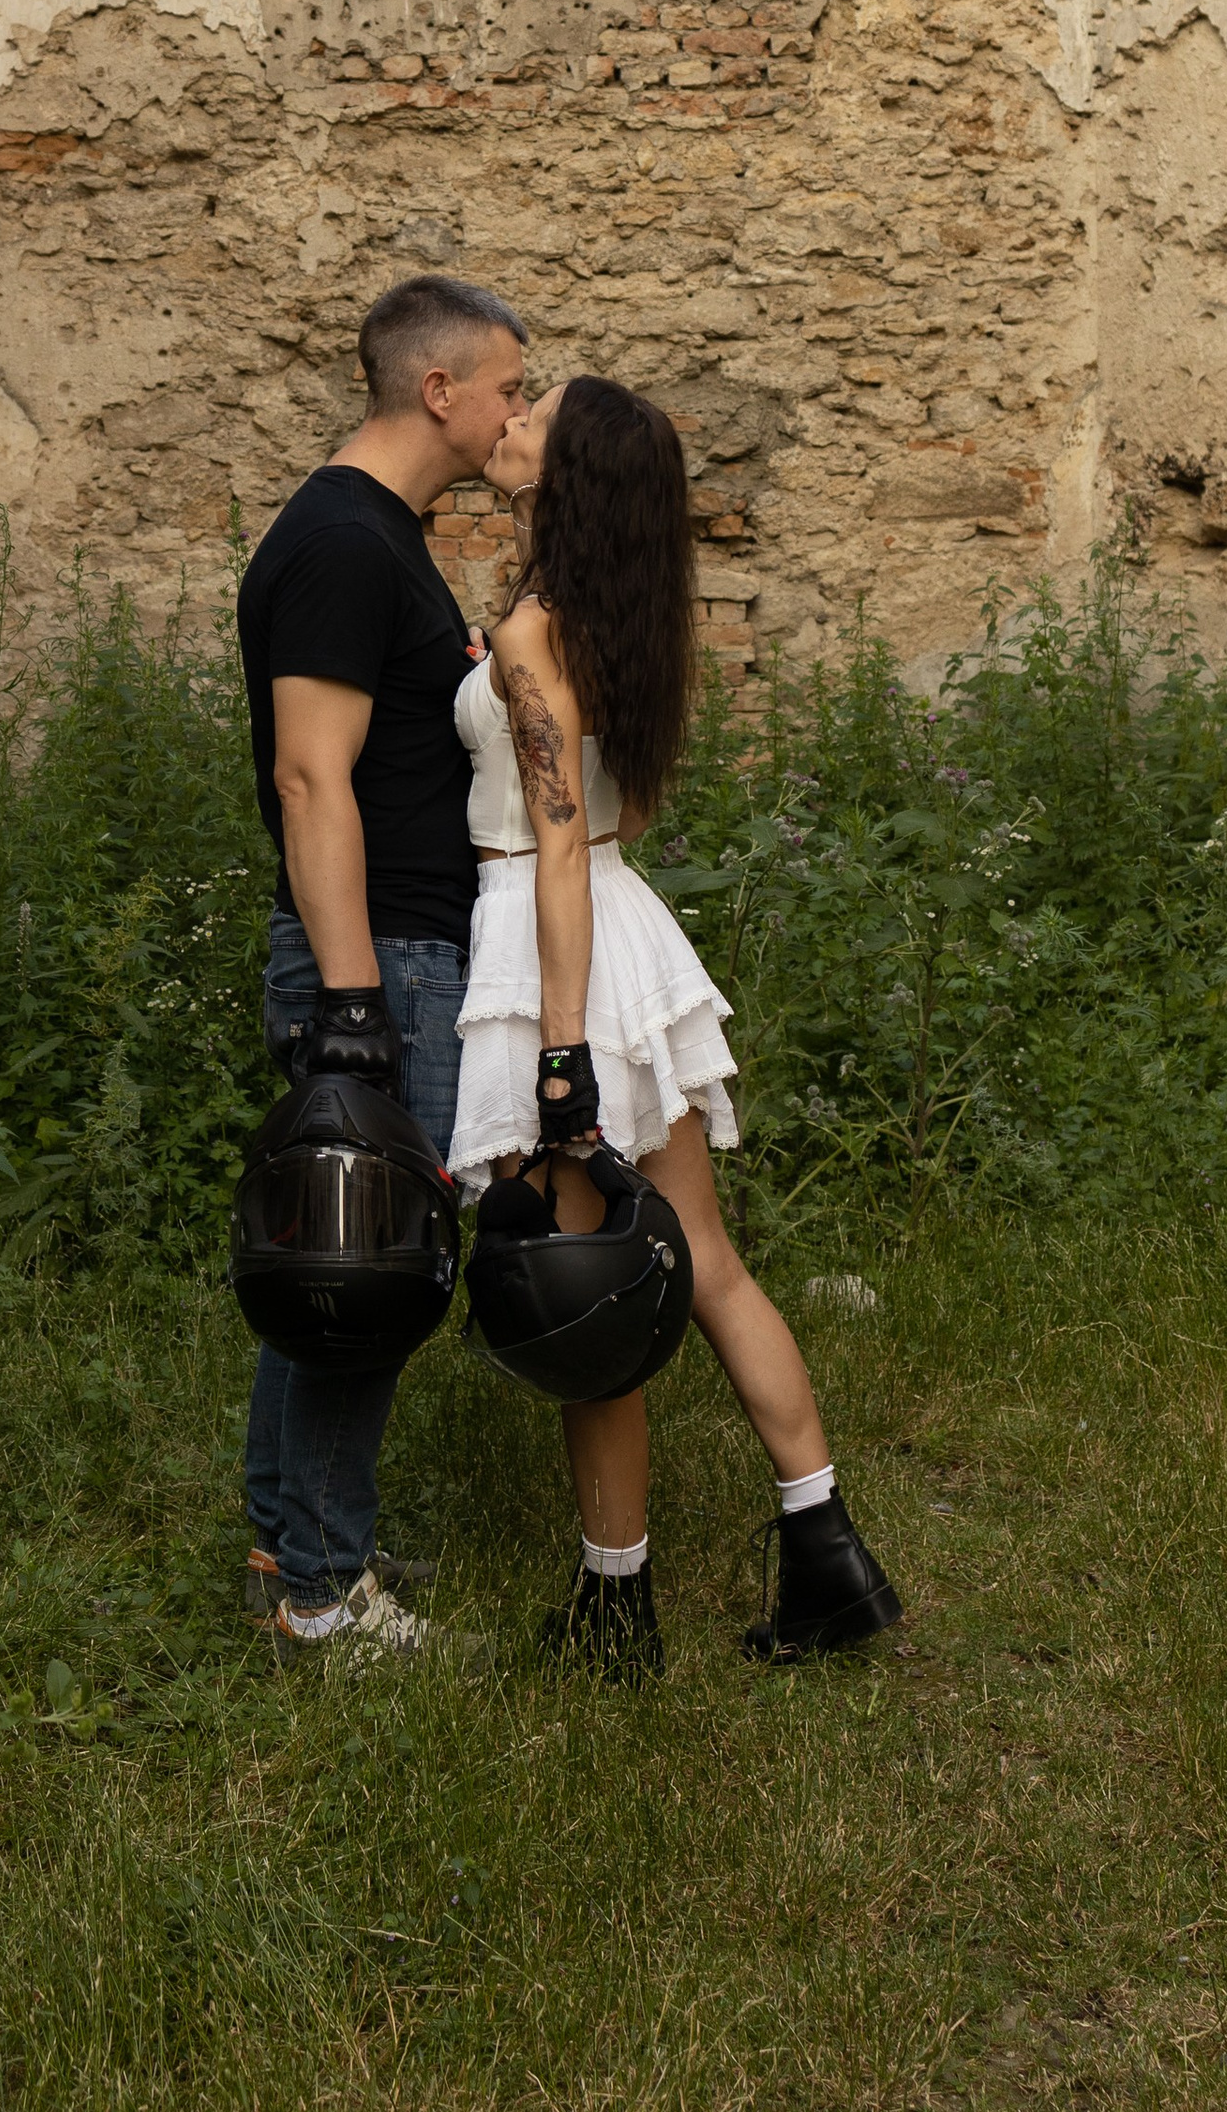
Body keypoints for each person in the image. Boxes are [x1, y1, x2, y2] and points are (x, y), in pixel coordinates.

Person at [449, 375, 901, 1680]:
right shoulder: (617, 620)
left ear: (570, 473)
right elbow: (618, 823)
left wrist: (560, 1052)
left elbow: (556, 842)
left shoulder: (540, 630)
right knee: (703, 1257)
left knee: (585, 1292)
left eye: (536, 413)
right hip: (622, 929)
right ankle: (830, 1557)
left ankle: (615, 1613)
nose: (513, 419)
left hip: (557, 949)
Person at [235, 274, 531, 1656]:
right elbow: (311, 779)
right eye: (508, 389)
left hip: (404, 948)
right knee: (369, 1265)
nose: (513, 414)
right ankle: (322, 1593)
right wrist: (354, 1001)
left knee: (328, 1253)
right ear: (439, 390)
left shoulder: (380, 534)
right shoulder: (347, 542)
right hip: (384, 958)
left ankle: (288, 1535)